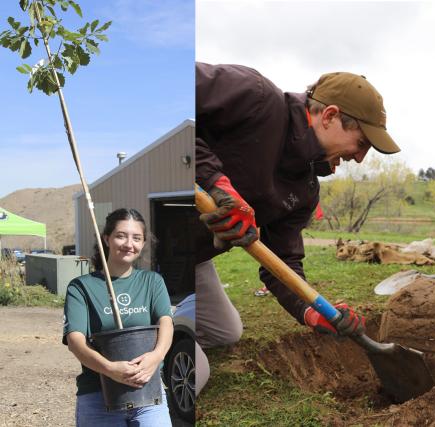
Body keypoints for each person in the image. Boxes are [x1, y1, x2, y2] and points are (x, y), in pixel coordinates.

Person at [193, 63, 400, 390]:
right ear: (330, 116)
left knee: (224, 332)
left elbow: (283, 261)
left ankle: (164, 319)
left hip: (192, 258)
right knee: (195, 372)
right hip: (146, 238)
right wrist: (215, 181)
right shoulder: (254, 96)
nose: (359, 158)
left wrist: (310, 311)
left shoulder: (304, 189)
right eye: (361, 143)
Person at [63, 208, 173, 426]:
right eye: (121, 235)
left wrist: (156, 357)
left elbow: (166, 323)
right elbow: (75, 341)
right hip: (97, 395)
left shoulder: (152, 282)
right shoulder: (81, 287)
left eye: (137, 238)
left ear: (143, 244)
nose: (129, 244)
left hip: (148, 392)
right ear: (107, 238)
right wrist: (109, 369)